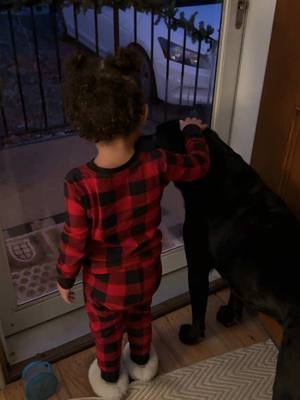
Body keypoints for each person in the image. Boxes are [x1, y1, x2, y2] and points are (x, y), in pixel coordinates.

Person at [56, 47, 210, 400]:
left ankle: (111, 379)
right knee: (141, 319)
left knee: (106, 334)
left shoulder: (78, 182)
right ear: (142, 114)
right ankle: (142, 362)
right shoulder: (157, 161)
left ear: (85, 127)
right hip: (145, 275)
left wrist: (65, 277)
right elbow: (198, 166)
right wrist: (193, 134)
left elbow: (75, 239)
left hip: (104, 288)